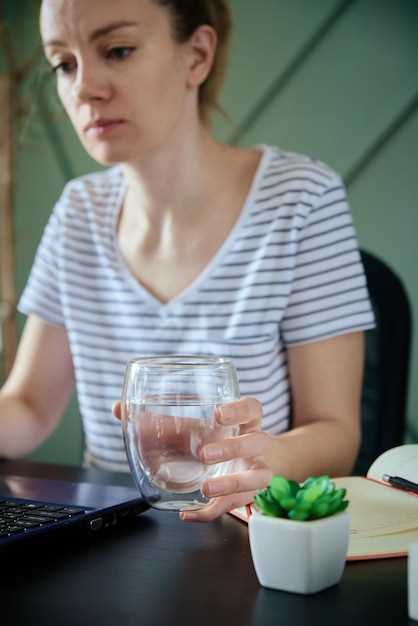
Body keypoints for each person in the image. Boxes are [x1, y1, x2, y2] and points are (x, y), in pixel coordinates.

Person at [0, 0, 374, 522]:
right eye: (64, 63)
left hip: (241, 538)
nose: (84, 88)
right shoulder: (78, 212)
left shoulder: (301, 199)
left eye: (117, 50)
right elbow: (30, 408)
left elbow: (336, 433)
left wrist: (259, 457)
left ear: (196, 55)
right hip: (105, 532)